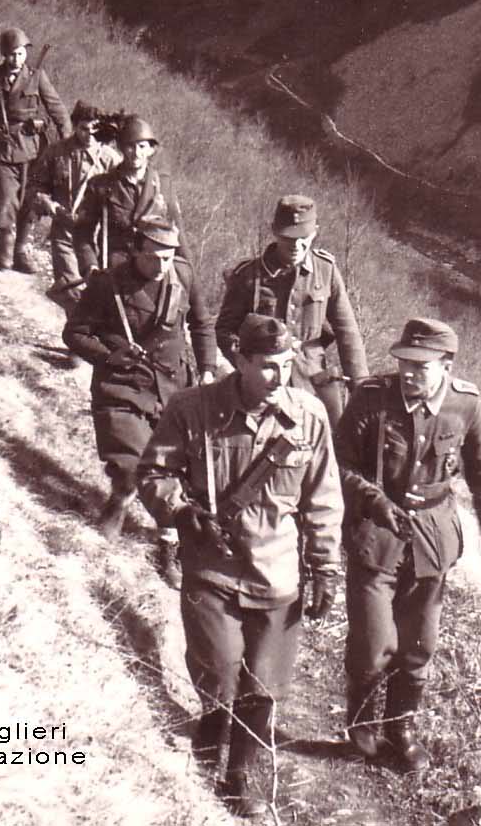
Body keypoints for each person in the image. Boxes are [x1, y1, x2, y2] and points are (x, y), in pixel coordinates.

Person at [137, 314, 343, 818]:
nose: (280, 376)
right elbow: (154, 473)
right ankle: (211, 721)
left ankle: (241, 775)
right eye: (268, 367)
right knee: (221, 672)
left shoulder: (309, 417)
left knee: (264, 687)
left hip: (277, 575)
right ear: (240, 360)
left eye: (287, 364)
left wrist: (324, 568)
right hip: (213, 570)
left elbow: (322, 499)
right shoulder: (194, 408)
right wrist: (181, 512)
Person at [336, 318, 481, 771]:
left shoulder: (466, 405)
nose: (409, 373)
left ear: (447, 366)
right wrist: (372, 500)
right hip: (374, 536)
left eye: (421, 365)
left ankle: (400, 729)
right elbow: (336, 465)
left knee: (420, 645)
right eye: (404, 362)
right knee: (374, 643)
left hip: (433, 540)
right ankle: (362, 726)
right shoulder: (372, 397)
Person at [62, 216, 217, 588]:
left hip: (172, 385)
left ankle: (167, 543)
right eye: (154, 257)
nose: (162, 265)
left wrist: (208, 369)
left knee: (174, 468)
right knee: (132, 463)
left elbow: (202, 323)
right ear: (136, 250)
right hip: (122, 385)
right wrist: (107, 357)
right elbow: (75, 333)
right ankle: (121, 495)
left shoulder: (183, 276)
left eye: (168, 257)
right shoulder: (108, 283)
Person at [216, 194, 368, 427]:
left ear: (315, 232)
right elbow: (224, 331)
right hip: (262, 379)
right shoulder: (248, 275)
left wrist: (360, 386)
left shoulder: (325, 270)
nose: (296, 245)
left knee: (330, 443)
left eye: (303, 238)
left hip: (313, 380)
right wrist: (246, 367)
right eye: (288, 238)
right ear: (275, 232)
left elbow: (348, 332)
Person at [0, 27, 72, 271]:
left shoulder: (37, 76)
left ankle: (21, 251)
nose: (17, 59)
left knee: (31, 201)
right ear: (4, 54)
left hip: (34, 148)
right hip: (3, 144)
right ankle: (5, 247)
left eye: (21, 53)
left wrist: (66, 138)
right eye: (12, 54)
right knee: (4, 198)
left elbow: (57, 108)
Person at [27, 101, 121, 309]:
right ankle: (76, 335)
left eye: (94, 130)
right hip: (65, 230)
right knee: (70, 287)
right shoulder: (57, 152)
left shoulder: (111, 161)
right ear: (75, 126)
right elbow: (35, 184)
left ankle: (84, 331)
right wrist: (48, 204)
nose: (89, 135)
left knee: (97, 289)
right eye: (83, 129)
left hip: (97, 237)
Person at [72, 115, 193, 273]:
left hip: (155, 268)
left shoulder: (163, 184)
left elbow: (178, 234)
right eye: (130, 146)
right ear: (121, 148)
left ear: (151, 150)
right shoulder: (101, 185)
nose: (136, 153)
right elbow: (82, 232)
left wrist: (190, 279)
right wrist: (90, 265)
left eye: (142, 147)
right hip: (117, 269)